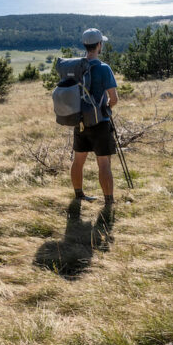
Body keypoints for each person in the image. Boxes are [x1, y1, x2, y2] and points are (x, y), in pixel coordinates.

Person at [69, 28, 119, 217]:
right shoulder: (104, 68)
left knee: (78, 161)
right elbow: (113, 98)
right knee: (104, 164)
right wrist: (104, 107)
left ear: (85, 45)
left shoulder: (76, 67)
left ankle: (78, 195)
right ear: (99, 45)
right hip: (100, 122)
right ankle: (108, 202)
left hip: (80, 121)